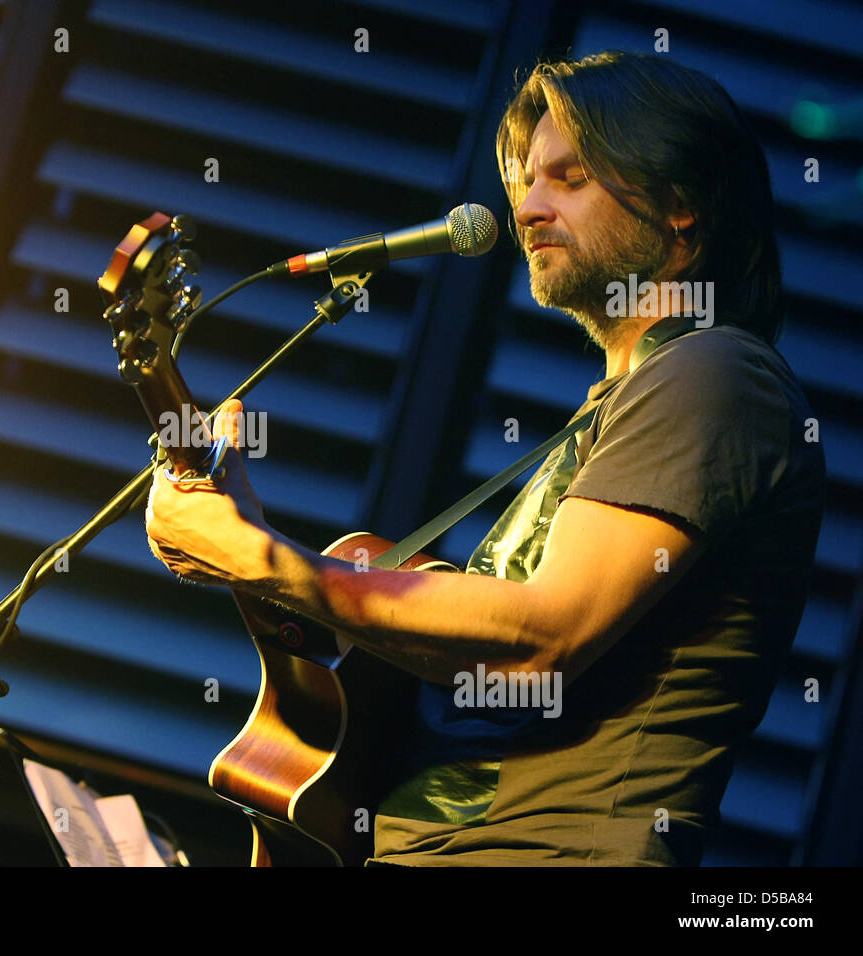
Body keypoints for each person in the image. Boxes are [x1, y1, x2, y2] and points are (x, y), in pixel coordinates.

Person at [144, 51, 825, 865]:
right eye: (528, 180)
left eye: (569, 179)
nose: (528, 209)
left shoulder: (715, 372)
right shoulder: (620, 404)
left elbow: (542, 639)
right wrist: (251, 542)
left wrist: (261, 558)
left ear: (680, 206)